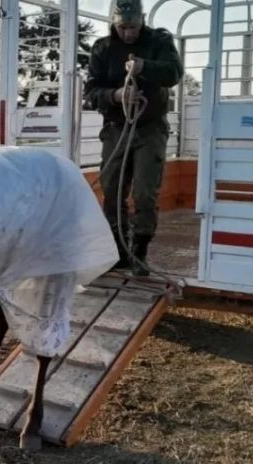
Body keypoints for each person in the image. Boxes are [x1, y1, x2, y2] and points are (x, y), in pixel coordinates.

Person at [84, 0, 184, 276]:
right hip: (116, 128)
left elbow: (174, 73)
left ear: (142, 20)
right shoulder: (102, 48)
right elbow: (91, 92)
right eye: (123, 27)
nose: (128, 33)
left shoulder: (159, 40)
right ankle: (118, 250)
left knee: (144, 192)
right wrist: (116, 95)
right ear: (114, 24)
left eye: (133, 27)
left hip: (150, 127)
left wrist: (144, 67)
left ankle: (139, 251)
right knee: (112, 190)